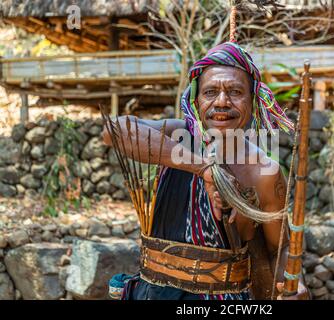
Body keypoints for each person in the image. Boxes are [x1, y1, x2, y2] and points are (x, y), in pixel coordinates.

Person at [103, 42, 308, 300]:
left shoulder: (263, 171)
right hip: (151, 292)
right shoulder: (175, 138)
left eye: (235, 92)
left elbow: (282, 247)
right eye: (210, 92)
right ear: (196, 100)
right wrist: (203, 169)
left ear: (253, 100)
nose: (222, 102)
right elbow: (112, 131)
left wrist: (294, 282)